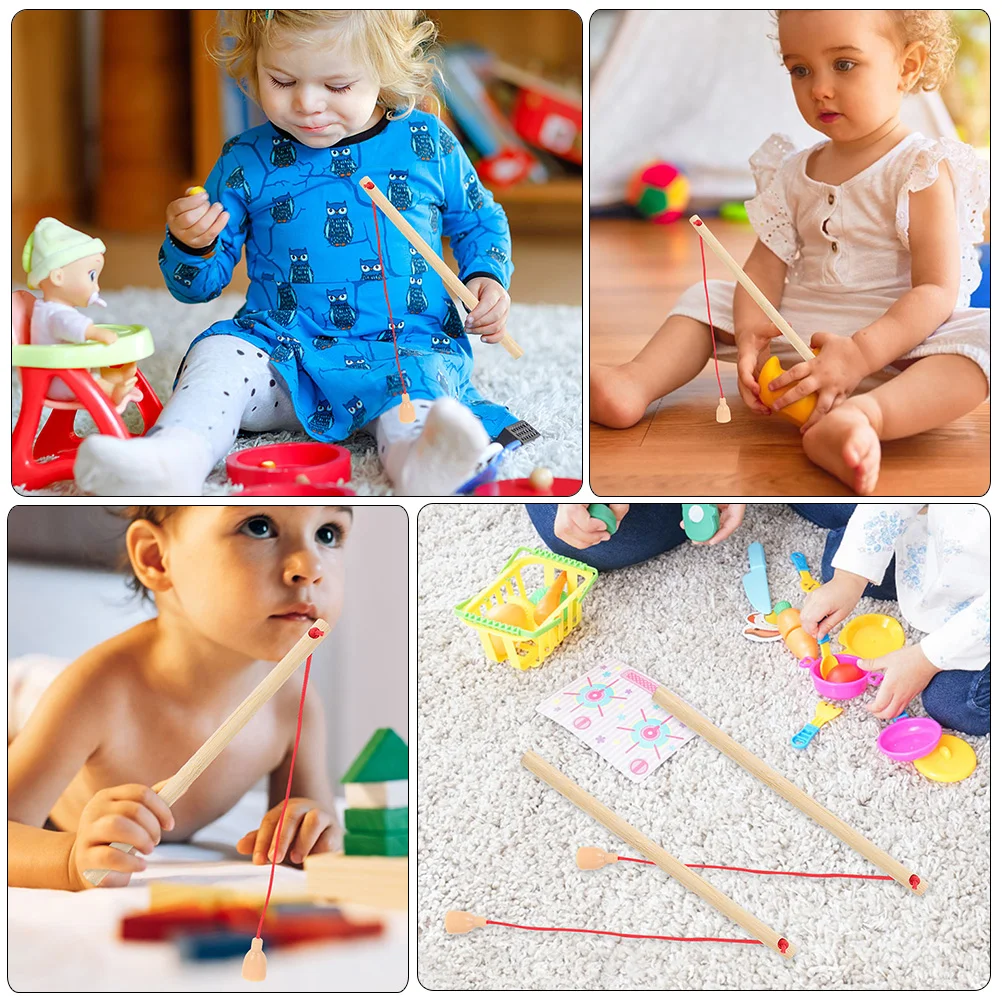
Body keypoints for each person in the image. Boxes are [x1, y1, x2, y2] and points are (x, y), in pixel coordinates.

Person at [75, 10, 530, 496]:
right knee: (217, 355)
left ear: (386, 70)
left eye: (337, 86)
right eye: (282, 80)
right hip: (281, 354)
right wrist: (193, 243)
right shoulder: (245, 160)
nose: (307, 104)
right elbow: (196, 288)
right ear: (254, 67)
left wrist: (487, 276)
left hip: (402, 346)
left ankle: (424, 462)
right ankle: (172, 456)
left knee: (420, 387)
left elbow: (478, 219)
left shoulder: (428, 143)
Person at [592, 10, 988, 494]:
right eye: (800, 69)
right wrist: (751, 328)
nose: (818, 88)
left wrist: (862, 353)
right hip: (800, 330)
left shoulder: (921, 167)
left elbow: (936, 289)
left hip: (899, 342)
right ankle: (635, 382)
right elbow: (765, 262)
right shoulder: (795, 170)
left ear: (907, 67)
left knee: (987, 336)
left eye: (843, 65)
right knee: (706, 297)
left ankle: (865, 416)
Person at [8, 506, 349, 889]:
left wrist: (310, 830)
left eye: (328, 534)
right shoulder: (96, 691)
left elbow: (313, 828)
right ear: (156, 558)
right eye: (258, 526)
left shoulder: (291, 704)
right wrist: (69, 859)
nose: (310, 565)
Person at [800, 504, 989, 735]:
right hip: (945, 556)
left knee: (952, 701)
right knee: (837, 566)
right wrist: (849, 578)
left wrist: (927, 658)